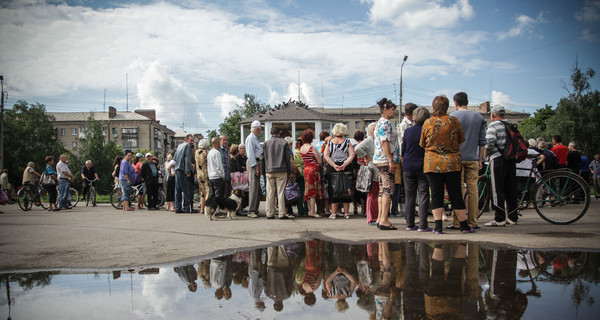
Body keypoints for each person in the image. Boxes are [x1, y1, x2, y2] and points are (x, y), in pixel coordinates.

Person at [420, 95, 473, 234]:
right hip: (452, 163)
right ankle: (464, 226)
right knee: (455, 193)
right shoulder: (453, 121)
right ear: (447, 106)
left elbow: (422, 143)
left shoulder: (427, 122)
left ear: (433, 106)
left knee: (436, 194)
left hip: (432, 163)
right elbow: (461, 139)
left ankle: (438, 227)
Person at [448, 92, 487, 230]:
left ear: (455, 103)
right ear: (467, 102)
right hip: (473, 158)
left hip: (456, 158)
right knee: (473, 190)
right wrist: (480, 159)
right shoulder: (479, 117)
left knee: (457, 191)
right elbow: (482, 141)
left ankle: (458, 222)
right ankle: (472, 221)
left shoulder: (452, 117)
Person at [484, 106, 519, 226]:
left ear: (493, 115)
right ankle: (513, 217)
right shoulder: (511, 125)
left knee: (497, 189)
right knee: (511, 189)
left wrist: (486, 153)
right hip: (511, 159)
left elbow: (489, 142)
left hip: (498, 159)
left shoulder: (493, 125)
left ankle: (499, 218)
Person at [401, 107, 432, 232]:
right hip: (423, 166)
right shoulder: (428, 131)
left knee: (410, 196)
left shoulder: (408, 131)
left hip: (408, 166)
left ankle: (409, 224)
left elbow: (403, 150)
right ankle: (423, 225)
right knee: (423, 194)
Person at [373, 98, 400, 229]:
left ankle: (380, 218)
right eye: (392, 109)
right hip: (385, 159)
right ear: (385, 110)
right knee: (388, 189)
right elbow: (384, 142)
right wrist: (391, 160)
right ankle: (384, 219)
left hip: (379, 158)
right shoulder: (385, 123)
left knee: (382, 189)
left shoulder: (379, 123)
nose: (394, 112)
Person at [323, 123, 356, 219]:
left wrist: (334, 165)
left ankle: (333, 213)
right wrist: (345, 164)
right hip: (346, 168)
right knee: (346, 189)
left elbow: (326, 155)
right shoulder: (347, 142)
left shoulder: (329, 142)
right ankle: (346, 213)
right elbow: (352, 154)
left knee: (333, 190)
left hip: (333, 168)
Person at [261, 126, 293, 219]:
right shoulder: (284, 143)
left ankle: (269, 213)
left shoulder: (266, 143)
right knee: (281, 192)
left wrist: (263, 171)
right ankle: (281, 213)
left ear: (271, 133)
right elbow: (288, 158)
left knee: (270, 192)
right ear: (279, 133)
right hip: (281, 170)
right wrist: (289, 170)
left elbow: (262, 158)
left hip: (269, 170)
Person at [355, 123, 379, 226]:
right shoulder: (369, 140)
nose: (376, 130)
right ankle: (372, 217)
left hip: (375, 168)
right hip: (373, 169)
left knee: (374, 194)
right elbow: (357, 148)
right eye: (374, 129)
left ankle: (374, 216)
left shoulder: (374, 140)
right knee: (373, 194)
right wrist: (366, 156)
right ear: (369, 131)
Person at [300, 129, 323, 218]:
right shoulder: (312, 148)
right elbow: (319, 161)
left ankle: (310, 210)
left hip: (306, 169)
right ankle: (313, 211)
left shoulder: (301, 148)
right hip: (313, 170)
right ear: (311, 138)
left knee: (308, 190)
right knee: (313, 190)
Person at [174, 134, 197, 213]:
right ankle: (188, 208)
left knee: (178, 189)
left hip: (177, 169)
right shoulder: (187, 146)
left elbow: (175, 158)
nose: (192, 142)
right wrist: (187, 171)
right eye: (191, 140)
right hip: (183, 170)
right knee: (186, 190)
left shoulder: (179, 146)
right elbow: (187, 159)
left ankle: (177, 207)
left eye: (193, 141)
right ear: (186, 139)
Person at [245, 120, 263, 218]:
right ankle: (251, 210)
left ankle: (255, 209)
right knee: (253, 187)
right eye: (260, 128)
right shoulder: (250, 138)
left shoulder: (254, 138)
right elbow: (250, 154)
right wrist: (255, 166)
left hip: (256, 162)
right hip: (253, 163)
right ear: (257, 128)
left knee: (257, 188)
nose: (261, 130)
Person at [207, 137, 226, 207]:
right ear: (218, 143)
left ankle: (211, 208)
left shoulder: (209, 153)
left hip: (211, 176)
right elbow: (219, 166)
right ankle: (217, 210)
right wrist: (223, 175)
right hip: (217, 176)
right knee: (218, 196)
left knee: (212, 195)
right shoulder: (217, 153)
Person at [352, 130, 367, 216]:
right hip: (365, 170)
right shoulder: (365, 146)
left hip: (356, 171)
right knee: (364, 191)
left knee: (355, 190)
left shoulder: (353, 147)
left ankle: (354, 208)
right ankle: (363, 209)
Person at [195, 139, 210, 215]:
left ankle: (202, 209)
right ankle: (206, 208)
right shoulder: (206, 153)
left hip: (199, 174)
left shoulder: (196, 152)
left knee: (202, 191)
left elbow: (196, 164)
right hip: (206, 173)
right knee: (207, 191)